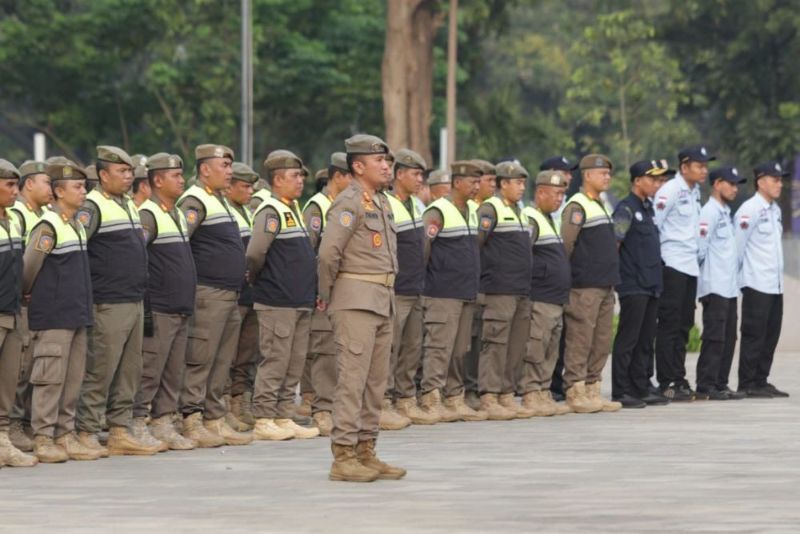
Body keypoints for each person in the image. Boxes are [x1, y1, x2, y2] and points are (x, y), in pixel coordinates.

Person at [318, 133, 404, 482]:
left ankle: (366, 450)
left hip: (381, 300)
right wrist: (326, 293)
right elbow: (327, 254)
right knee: (352, 381)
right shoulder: (349, 201)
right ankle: (343, 456)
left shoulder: (381, 202)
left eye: (387, 161)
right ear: (358, 166)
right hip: (355, 299)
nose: (386, 166)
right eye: (378, 161)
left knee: (374, 382)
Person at [75, 146, 158, 456]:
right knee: (101, 370)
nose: (128, 177)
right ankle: (86, 430)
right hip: (107, 302)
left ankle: (120, 429)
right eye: (121, 172)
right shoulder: (92, 207)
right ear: (102, 175)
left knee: (129, 370)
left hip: (133, 299)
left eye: (129, 172)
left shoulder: (127, 205)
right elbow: (79, 252)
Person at [24, 159, 100, 463]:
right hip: (54, 315)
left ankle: (65, 434)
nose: (83, 192)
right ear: (58, 191)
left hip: (76, 314)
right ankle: (43, 436)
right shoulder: (48, 225)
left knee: (73, 378)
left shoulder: (76, 225)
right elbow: (29, 268)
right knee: (50, 378)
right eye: (77, 187)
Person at [177, 144, 251, 447]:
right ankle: (191, 419)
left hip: (229, 294)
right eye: (224, 166)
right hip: (207, 294)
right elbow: (183, 244)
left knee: (222, 360)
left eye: (230, 166)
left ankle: (214, 418)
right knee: (200, 359)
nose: (229, 171)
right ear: (205, 169)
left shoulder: (219, 200)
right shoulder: (194, 201)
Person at [246, 150, 319, 441]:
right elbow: (254, 253)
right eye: (294, 176)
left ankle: (284, 413)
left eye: (301, 176)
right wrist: (260, 279)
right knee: (275, 359)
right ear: (277, 180)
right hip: (277, 300)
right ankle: (264, 417)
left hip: (299, 299)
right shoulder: (271, 211)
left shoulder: (293, 209)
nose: (300, 181)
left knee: (294, 360)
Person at [133, 153, 198, 450]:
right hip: (159, 307)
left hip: (180, 306)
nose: (181, 180)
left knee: (173, 372)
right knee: (151, 371)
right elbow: (138, 258)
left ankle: (163, 422)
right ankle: (137, 423)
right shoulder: (148, 214)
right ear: (157, 180)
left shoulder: (175, 213)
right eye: (175, 175)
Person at [419, 161, 485, 421]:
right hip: (442, 292)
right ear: (457, 183)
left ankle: (454, 397)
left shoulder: (471, 211)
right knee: (439, 346)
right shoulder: (438, 211)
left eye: (479, 183)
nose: (476, 188)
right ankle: (431, 397)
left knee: (460, 349)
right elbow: (424, 249)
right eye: (472, 182)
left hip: (465, 292)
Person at [560, 154, 621, 413]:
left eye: (608, 173)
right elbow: (566, 245)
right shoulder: (577, 206)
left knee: (601, 339)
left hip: (605, 284)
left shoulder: (602, 205)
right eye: (602, 173)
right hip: (584, 285)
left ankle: (593, 387)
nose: (607, 177)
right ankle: (575, 388)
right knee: (580, 338)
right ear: (587, 176)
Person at [654, 145, 712, 401]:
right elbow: (656, 224)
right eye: (699, 165)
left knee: (684, 324)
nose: (704, 170)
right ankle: (667, 380)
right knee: (669, 324)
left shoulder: (694, 191)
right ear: (685, 167)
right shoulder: (670, 190)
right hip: (672, 264)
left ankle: (678, 378)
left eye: (705, 165)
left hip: (689, 265)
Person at [476, 160, 533, 418]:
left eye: (523, 183)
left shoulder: (520, 211)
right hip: (499, 288)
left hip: (521, 288)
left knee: (516, 344)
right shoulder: (491, 208)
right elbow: (477, 244)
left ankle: (506, 393)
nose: (522, 188)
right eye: (517, 183)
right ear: (503, 184)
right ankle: (489, 394)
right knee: (496, 342)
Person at [611, 160, 669, 408]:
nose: (657, 184)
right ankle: (621, 390)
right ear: (637, 181)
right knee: (629, 339)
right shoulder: (625, 209)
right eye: (652, 179)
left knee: (646, 340)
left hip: (651, 284)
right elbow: (615, 243)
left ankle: (641, 384)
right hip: (633, 284)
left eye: (659, 180)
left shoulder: (648, 209)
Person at [300, 152, 351, 435]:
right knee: (322, 349)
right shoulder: (317, 207)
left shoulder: (343, 204)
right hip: (322, 290)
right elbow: (311, 252)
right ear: (338, 177)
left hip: (342, 289)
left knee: (336, 349)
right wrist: (320, 289)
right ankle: (320, 408)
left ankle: (330, 404)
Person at [384, 149, 435, 425]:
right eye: (415, 174)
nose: (420, 181)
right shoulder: (386, 204)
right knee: (390, 347)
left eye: (422, 175)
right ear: (399, 174)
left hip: (415, 287)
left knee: (412, 346)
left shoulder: (416, 206)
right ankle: (383, 400)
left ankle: (405, 398)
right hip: (396, 289)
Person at [516, 170, 572, 416]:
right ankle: (530, 392)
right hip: (540, 297)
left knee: (551, 348)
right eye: (556, 193)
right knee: (536, 347)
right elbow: (524, 257)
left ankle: (543, 391)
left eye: (562, 194)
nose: (560, 199)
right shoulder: (530, 218)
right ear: (540, 193)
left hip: (556, 298)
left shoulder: (550, 219)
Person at [734, 161, 788, 398]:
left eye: (781, 179)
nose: (780, 184)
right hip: (756, 283)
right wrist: (736, 283)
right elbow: (737, 247)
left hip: (774, 284)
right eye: (775, 179)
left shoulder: (775, 210)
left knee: (771, 333)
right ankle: (747, 382)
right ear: (761, 181)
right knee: (754, 334)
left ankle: (761, 380)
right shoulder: (749, 209)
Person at [8, 160, 51, 453]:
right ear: (29, 184)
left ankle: (24, 423)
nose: (50, 188)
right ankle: (12, 425)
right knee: (20, 367)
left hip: (43, 304)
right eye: (46, 182)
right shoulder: (18, 214)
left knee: (36, 364)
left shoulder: (46, 214)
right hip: (22, 302)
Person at [694, 166, 748, 401]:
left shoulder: (725, 212)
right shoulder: (709, 212)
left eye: (737, 185)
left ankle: (720, 382)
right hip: (714, 285)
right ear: (717, 184)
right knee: (715, 336)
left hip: (728, 286)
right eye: (731, 184)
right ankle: (706, 384)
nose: (735, 189)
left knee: (728, 336)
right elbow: (700, 249)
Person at [0, 159, 37, 468]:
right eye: (10, 186)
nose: (16, 192)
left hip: (12, 311)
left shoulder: (14, 220)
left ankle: (2, 441)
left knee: (9, 379)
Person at [224, 161, 259, 432]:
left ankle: (241, 400)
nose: (250, 192)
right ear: (230, 186)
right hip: (231, 294)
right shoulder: (224, 210)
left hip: (250, 294)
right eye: (244, 186)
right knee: (226, 353)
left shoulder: (247, 212)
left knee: (247, 353)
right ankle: (224, 405)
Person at [540, 156, 577, 402]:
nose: (568, 176)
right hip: (542, 289)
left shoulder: (564, 207)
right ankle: (543, 388)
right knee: (540, 341)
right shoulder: (534, 212)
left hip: (562, 285)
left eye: (569, 172)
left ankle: (554, 386)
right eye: (562, 172)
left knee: (559, 339)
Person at [464, 159, 496, 410]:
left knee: (478, 341)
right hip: (472, 285)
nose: (491, 185)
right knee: (467, 341)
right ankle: (466, 390)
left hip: (481, 285)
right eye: (487, 180)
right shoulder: (476, 210)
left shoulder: (484, 209)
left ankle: (474, 389)